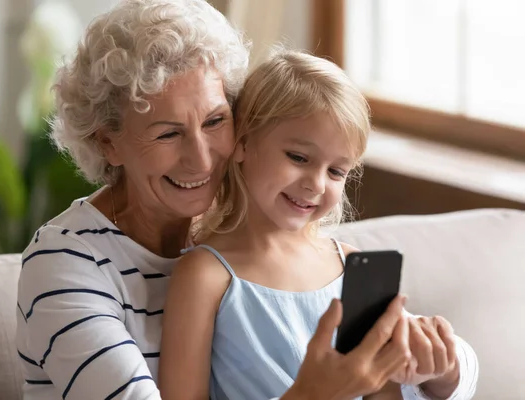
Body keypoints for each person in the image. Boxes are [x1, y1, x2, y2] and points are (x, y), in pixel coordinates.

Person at [15, 0, 477, 399]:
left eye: (215, 121)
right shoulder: (67, 261)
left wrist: (445, 363)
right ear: (108, 144)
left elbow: (410, 353)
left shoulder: (252, 224)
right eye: (168, 132)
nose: (201, 160)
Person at [158, 50, 479, 400]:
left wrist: (431, 364)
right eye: (298, 157)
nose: (316, 184)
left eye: (336, 171)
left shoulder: (353, 268)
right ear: (243, 144)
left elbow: (383, 394)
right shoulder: (205, 276)